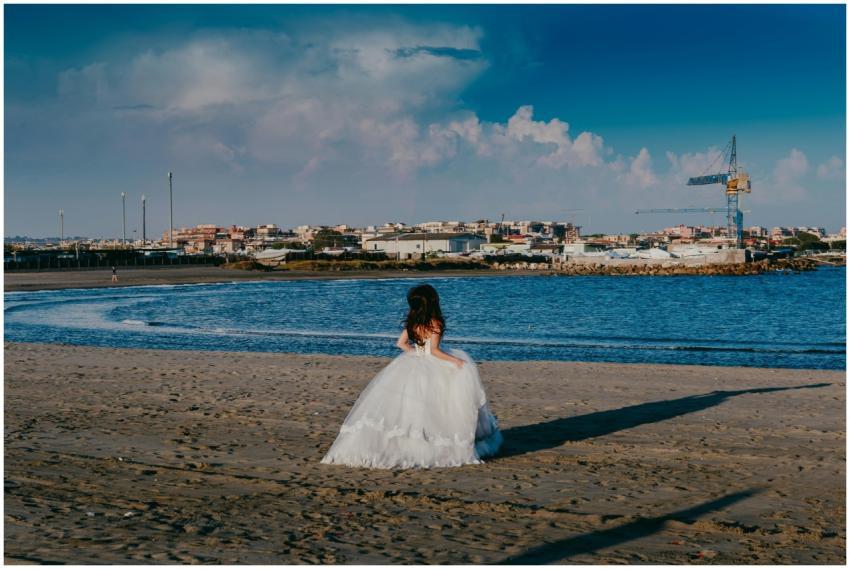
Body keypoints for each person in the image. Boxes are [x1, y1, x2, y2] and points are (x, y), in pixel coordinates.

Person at [321, 284, 502, 469]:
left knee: (409, 409)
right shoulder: (435, 323)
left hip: (412, 361)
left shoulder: (413, 321)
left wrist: (417, 352)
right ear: (434, 301)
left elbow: (400, 343)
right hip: (433, 364)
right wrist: (456, 361)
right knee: (439, 408)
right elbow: (435, 351)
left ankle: (404, 445)